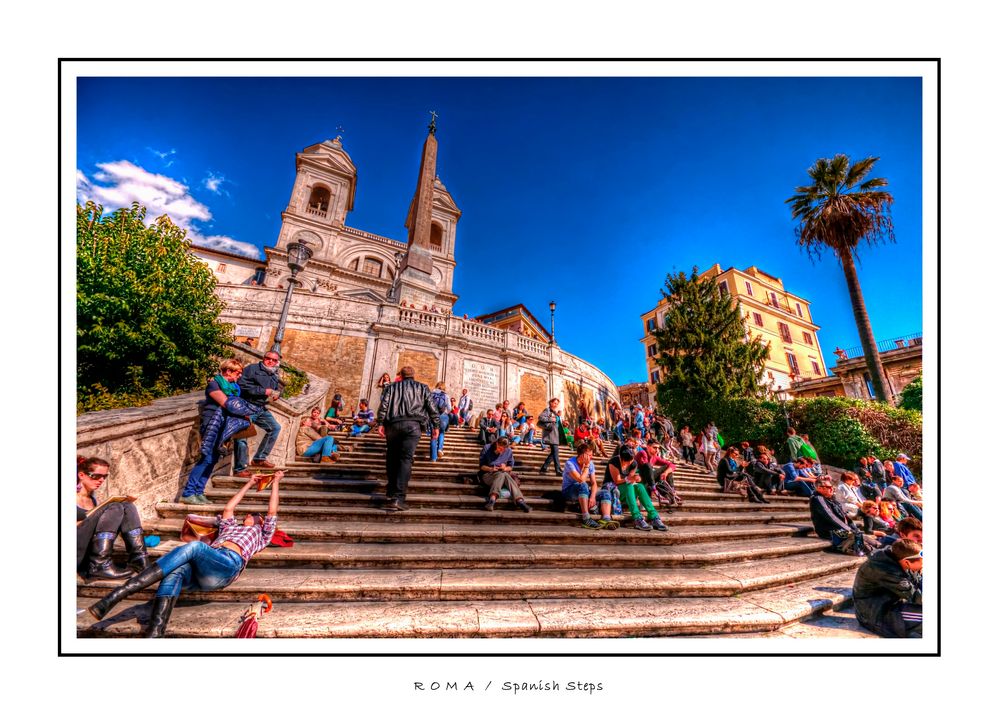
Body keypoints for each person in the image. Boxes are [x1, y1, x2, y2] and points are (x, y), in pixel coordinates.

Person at [88, 471, 284, 637]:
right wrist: (249, 483)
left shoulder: (261, 534)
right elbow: (228, 508)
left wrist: (275, 482)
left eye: (255, 515)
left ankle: (119, 594)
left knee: (195, 547)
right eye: (248, 514)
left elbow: (272, 511)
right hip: (204, 566)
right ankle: (156, 631)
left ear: (260, 522)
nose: (249, 515)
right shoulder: (229, 527)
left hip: (227, 566)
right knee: (176, 570)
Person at [182, 358, 258, 502]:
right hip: (212, 422)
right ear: (228, 371)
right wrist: (247, 410)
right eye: (238, 372)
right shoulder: (214, 384)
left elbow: (236, 404)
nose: (240, 375)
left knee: (214, 459)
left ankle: (199, 491)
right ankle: (188, 493)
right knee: (206, 458)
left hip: (225, 425)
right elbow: (228, 404)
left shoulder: (234, 387)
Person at [376, 365, 439, 511]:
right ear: (413, 375)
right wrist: (436, 425)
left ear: (401, 376)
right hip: (413, 425)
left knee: (392, 457)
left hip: (393, 425)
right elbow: (432, 407)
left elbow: (383, 406)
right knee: (406, 459)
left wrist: (380, 423)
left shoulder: (391, 387)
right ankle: (398, 497)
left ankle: (391, 491)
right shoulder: (422, 388)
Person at [77, 457, 149, 580]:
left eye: (104, 477)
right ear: (81, 475)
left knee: (127, 505)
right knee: (114, 507)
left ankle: (139, 558)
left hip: (89, 548)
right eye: (96, 476)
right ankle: (99, 565)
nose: (100, 480)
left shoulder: (92, 499)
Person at [852, 538, 923, 638]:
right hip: (875, 614)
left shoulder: (897, 557)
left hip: (890, 604)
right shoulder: (887, 570)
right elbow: (916, 596)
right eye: (922, 563)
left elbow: (918, 582)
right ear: (906, 562)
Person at [233, 351, 283, 476]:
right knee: (241, 438)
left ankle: (259, 458)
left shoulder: (273, 375)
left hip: (261, 408)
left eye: (274, 360)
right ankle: (240, 469)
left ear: (277, 362)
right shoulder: (252, 369)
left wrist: (276, 395)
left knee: (275, 428)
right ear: (264, 358)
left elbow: (275, 390)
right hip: (246, 406)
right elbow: (241, 385)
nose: (270, 361)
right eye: (268, 358)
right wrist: (263, 391)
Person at [809, 477, 878, 555]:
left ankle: (881, 548)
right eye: (829, 487)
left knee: (864, 537)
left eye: (832, 487)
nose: (832, 489)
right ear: (819, 488)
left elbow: (844, 516)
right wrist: (848, 529)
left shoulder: (831, 499)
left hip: (840, 529)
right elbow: (831, 516)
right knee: (859, 540)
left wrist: (854, 528)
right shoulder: (818, 498)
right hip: (830, 531)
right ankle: (877, 554)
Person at [605, 447, 668, 531]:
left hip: (627, 490)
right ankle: (637, 518)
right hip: (612, 490)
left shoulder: (633, 463)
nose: (629, 463)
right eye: (627, 462)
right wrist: (629, 479)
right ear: (621, 458)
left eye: (631, 461)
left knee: (639, 486)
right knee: (629, 485)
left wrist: (636, 478)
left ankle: (654, 516)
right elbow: (617, 481)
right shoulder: (614, 462)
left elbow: (631, 478)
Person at [561, 442, 617, 529]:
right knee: (583, 485)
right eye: (590, 455)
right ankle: (586, 518)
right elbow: (581, 480)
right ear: (583, 455)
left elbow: (594, 483)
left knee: (605, 492)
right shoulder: (570, 463)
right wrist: (586, 466)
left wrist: (592, 497)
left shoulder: (591, 463)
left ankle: (606, 519)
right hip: (569, 491)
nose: (592, 457)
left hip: (583, 491)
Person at [479, 437, 531, 512]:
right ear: (496, 444)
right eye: (500, 448)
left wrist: (505, 468)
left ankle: (492, 500)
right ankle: (520, 501)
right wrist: (491, 469)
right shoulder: (487, 448)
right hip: (488, 475)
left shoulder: (508, 451)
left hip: (502, 474)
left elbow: (510, 467)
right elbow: (481, 466)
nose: (502, 450)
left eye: (504, 449)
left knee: (503, 473)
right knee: (503, 474)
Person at [537, 398, 564, 475]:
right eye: (554, 403)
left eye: (557, 404)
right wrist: (550, 418)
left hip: (555, 434)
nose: (556, 405)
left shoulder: (554, 412)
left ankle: (544, 467)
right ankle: (558, 470)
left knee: (554, 452)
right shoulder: (547, 410)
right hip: (551, 434)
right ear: (551, 403)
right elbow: (540, 417)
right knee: (555, 452)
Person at [429, 381, 450, 462]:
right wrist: (445, 413)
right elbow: (449, 408)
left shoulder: (431, 394)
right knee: (441, 432)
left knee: (434, 436)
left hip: (433, 416)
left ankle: (433, 458)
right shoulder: (446, 395)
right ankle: (440, 449)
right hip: (443, 416)